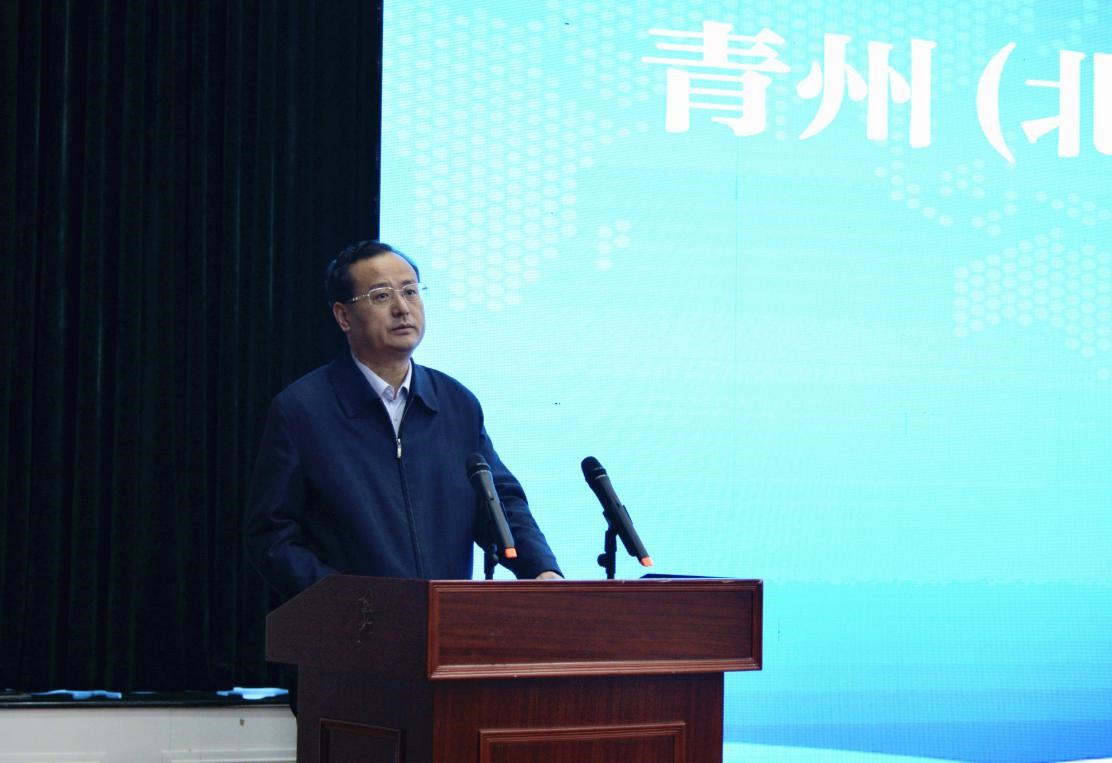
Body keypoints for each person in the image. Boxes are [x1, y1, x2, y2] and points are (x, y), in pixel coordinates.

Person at [245, 240, 562, 601]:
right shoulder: (302, 410)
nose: (402, 308)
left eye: (410, 291)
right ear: (343, 316)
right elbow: (272, 535)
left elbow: (499, 503)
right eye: (381, 296)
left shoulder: (456, 404)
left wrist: (541, 569)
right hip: (355, 626)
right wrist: (343, 600)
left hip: (444, 623)